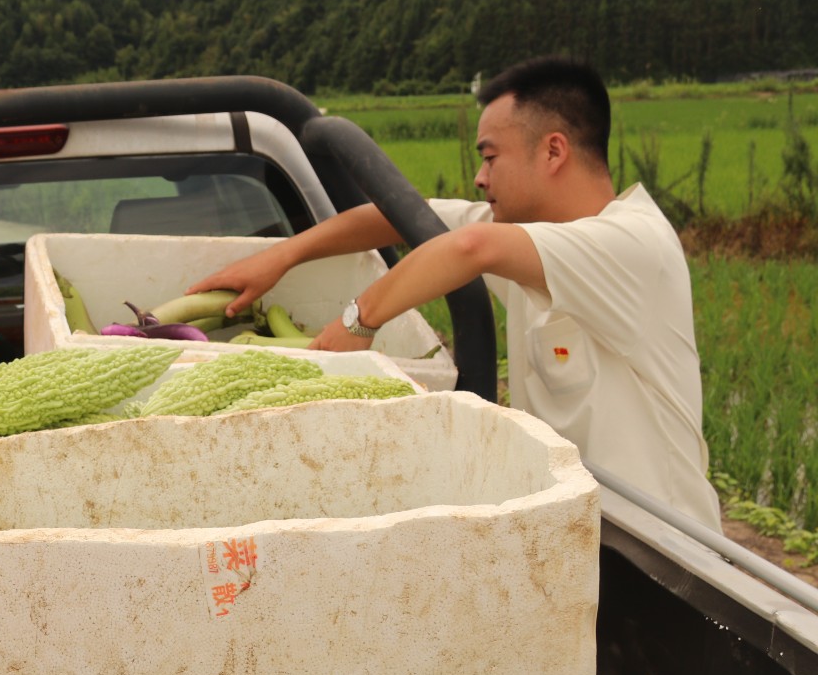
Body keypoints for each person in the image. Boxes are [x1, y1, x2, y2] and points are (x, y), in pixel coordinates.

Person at [187, 56, 722, 530]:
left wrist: (357, 322)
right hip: (585, 529)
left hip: (666, 549)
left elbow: (469, 247)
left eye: (490, 157)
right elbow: (395, 218)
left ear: (553, 150)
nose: (479, 177)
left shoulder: (629, 244)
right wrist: (281, 256)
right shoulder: (532, 236)